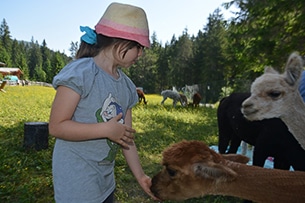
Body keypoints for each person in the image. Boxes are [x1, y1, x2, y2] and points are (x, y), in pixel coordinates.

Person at [49, 2, 157, 202]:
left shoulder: (126, 87)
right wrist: (105, 130)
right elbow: (56, 126)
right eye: (138, 47)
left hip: (105, 184)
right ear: (119, 42)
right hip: (76, 184)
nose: (141, 54)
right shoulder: (80, 74)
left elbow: (126, 138)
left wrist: (141, 177)